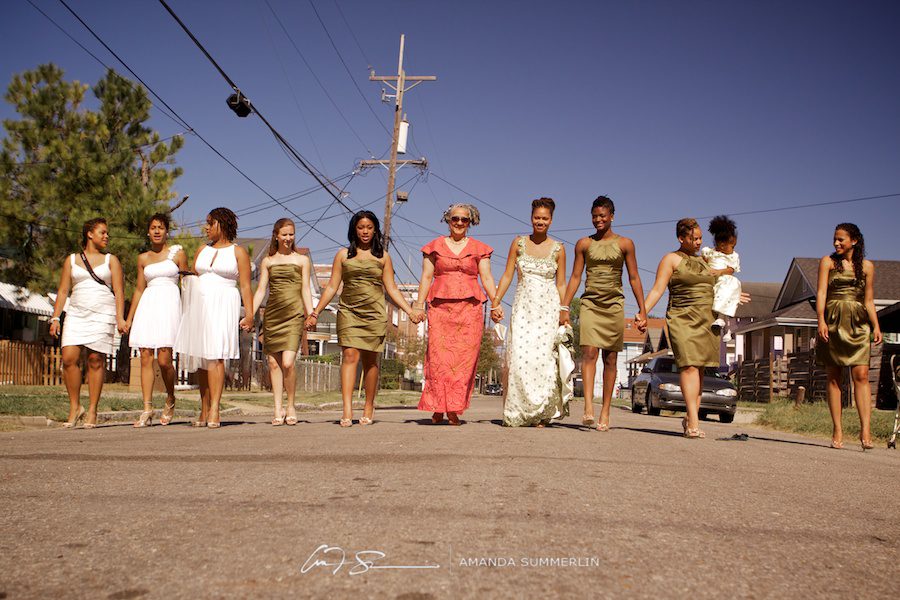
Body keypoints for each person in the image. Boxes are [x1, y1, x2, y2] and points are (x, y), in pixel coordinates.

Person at [306, 211, 423, 427]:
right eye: (361, 227)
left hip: (374, 313)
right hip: (349, 311)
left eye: (369, 227)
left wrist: (410, 311)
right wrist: (315, 312)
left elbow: (392, 288)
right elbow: (332, 286)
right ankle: (347, 409)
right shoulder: (343, 255)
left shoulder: (383, 257)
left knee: (370, 361)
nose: (365, 231)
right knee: (349, 356)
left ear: (375, 230)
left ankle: (369, 405)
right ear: (354, 230)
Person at [561, 196, 647, 431]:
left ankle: (605, 411)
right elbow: (575, 277)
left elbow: (634, 277)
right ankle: (588, 407)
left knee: (610, 358)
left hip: (614, 305)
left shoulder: (625, 244)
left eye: (602, 216)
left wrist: (643, 309)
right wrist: (564, 306)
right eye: (594, 216)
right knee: (589, 352)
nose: (598, 220)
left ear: (612, 217)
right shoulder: (584, 244)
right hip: (590, 303)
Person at [415, 204, 498, 426]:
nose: (459, 223)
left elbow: (486, 277)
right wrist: (418, 305)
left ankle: (453, 407)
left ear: (471, 222)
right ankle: (437, 407)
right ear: (448, 220)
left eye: (464, 219)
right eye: (455, 219)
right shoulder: (434, 247)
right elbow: (426, 277)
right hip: (440, 308)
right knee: (438, 359)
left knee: (463, 361)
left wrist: (496, 303)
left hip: (470, 310)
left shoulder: (479, 248)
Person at [175, 207, 253, 429]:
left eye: (210, 223)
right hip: (200, 304)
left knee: (216, 356)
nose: (206, 227)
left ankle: (216, 409)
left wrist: (249, 314)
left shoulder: (238, 252)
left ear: (222, 224)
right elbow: (193, 276)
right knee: (202, 357)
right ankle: (204, 408)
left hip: (224, 302)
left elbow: (245, 286)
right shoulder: (202, 250)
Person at [492, 198, 568, 427]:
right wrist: (496, 301)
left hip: (548, 309)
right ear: (531, 218)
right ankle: (518, 411)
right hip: (523, 307)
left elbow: (561, 283)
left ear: (551, 220)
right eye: (537, 217)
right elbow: (507, 275)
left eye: (545, 218)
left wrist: (564, 310)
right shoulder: (518, 243)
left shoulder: (559, 249)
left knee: (543, 360)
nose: (540, 222)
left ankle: (541, 413)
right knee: (519, 359)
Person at [642, 218, 720, 438]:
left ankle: (690, 417)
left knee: (700, 369)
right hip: (682, 318)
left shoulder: (706, 261)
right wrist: (643, 312)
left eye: (700, 238)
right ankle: (694, 422)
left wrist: (734, 295)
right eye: (693, 238)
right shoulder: (670, 259)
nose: (698, 242)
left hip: (707, 319)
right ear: (681, 238)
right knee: (688, 366)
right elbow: (657, 289)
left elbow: (720, 285)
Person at [48, 218, 127, 428]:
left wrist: (120, 317)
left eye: (107, 233)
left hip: (103, 312)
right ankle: (75, 407)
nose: (107, 236)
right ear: (89, 234)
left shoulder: (111, 260)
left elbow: (119, 291)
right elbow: (63, 291)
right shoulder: (71, 260)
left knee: (95, 360)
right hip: (76, 313)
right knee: (68, 358)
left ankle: (92, 409)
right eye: (102, 232)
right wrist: (55, 317)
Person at [815, 223, 882, 450]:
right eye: (835, 239)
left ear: (854, 240)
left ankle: (866, 430)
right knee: (834, 376)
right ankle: (837, 429)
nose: (836, 243)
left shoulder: (868, 267)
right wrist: (821, 320)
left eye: (841, 239)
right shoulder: (827, 262)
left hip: (859, 323)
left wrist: (876, 326)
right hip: (833, 320)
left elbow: (869, 300)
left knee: (861, 374)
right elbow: (821, 293)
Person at [125, 213, 188, 427]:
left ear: (167, 231)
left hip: (169, 306)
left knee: (164, 360)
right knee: (145, 356)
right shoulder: (143, 258)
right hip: (148, 305)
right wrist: (129, 318)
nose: (157, 231)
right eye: (153, 227)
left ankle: (170, 397)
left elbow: (187, 285)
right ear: (148, 232)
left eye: (160, 227)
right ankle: (147, 408)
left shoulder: (178, 253)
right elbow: (139, 289)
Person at [251, 218, 313, 426]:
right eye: (284, 234)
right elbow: (261, 290)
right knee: (273, 363)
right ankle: (278, 408)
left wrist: (311, 313)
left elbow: (306, 288)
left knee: (287, 362)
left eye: (291, 234)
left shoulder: (302, 260)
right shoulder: (268, 261)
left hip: (294, 315)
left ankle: (291, 405)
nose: (288, 238)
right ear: (276, 236)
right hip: (273, 315)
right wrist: (250, 314)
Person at [701, 215, 741, 342]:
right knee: (722, 298)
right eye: (732, 246)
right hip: (713, 280)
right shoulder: (709, 252)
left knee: (726, 296)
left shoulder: (732, 256)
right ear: (722, 245)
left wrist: (719, 272)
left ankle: (723, 323)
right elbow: (702, 262)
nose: (733, 249)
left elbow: (731, 269)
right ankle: (726, 327)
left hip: (724, 280)